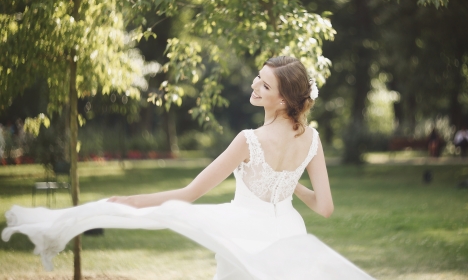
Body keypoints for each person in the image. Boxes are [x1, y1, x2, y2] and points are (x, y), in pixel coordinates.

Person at [2, 56, 374, 279]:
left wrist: (130, 200)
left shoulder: (249, 140)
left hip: (244, 233)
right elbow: (324, 208)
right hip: (290, 232)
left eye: (265, 84)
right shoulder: (313, 140)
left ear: (284, 98)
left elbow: (188, 194)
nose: (255, 85)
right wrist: (290, 183)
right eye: (257, 78)